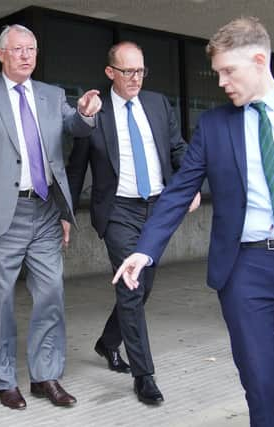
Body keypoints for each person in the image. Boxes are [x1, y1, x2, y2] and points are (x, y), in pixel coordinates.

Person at [113, 17, 274, 426]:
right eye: (217, 74)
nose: (222, 82)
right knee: (260, 386)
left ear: (259, 60)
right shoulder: (214, 125)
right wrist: (145, 250)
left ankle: (265, 401)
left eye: (229, 71)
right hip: (245, 270)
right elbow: (179, 191)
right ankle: (263, 404)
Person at [0, 24, 101, 410]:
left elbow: (74, 126)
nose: (27, 55)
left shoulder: (51, 94)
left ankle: (46, 376)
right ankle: (4, 379)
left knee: (51, 294)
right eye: (18, 49)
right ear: (1, 54)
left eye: (32, 48)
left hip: (44, 210)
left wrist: (84, 112)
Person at [66, 41, 200, 405]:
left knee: (143, 290)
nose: (136, 78)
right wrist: (64, 215)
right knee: (131, 286)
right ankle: (145, 376)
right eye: (128, 71)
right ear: (111, 72)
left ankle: (108, 342)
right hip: (118, 213)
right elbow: (76, 167)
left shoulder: (157, 104)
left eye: (141, 70)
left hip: (158, 210)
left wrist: (190, 186)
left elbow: (177, 148)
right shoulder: (96, 110)